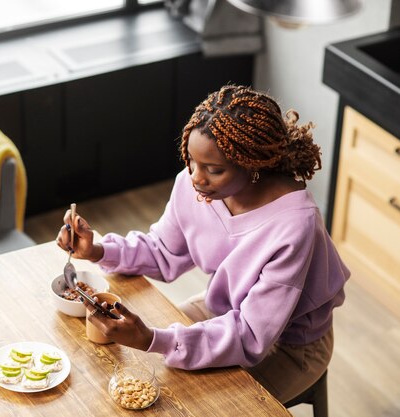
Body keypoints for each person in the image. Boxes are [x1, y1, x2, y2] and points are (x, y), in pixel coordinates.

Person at [56, 85, 349, 403]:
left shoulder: (295, 225)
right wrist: (97, 250)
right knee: (133, 369)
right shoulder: (196, 185)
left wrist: (153, 338)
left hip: (290, 345)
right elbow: (163, 250)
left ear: (253, 164)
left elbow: (251, 335)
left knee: (192, 402)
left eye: (214, 170)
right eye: (191, 162)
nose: (196, 177)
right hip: (223, 309)